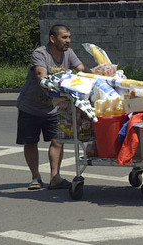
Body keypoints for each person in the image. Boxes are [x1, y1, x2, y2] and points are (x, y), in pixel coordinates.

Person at [16, 24, 89, 190]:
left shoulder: (68, 53)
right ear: (52, 38)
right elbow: (41, 77)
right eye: (64, 37)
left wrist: (101, 75)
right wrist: (57, 95)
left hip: (54, 109)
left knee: (58, 140)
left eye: (69, 37)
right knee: (31, 142)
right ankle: (35, 177)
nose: (68, 41)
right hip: (31, 107)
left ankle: (54, 177)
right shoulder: (40, 54)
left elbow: (82, 70)